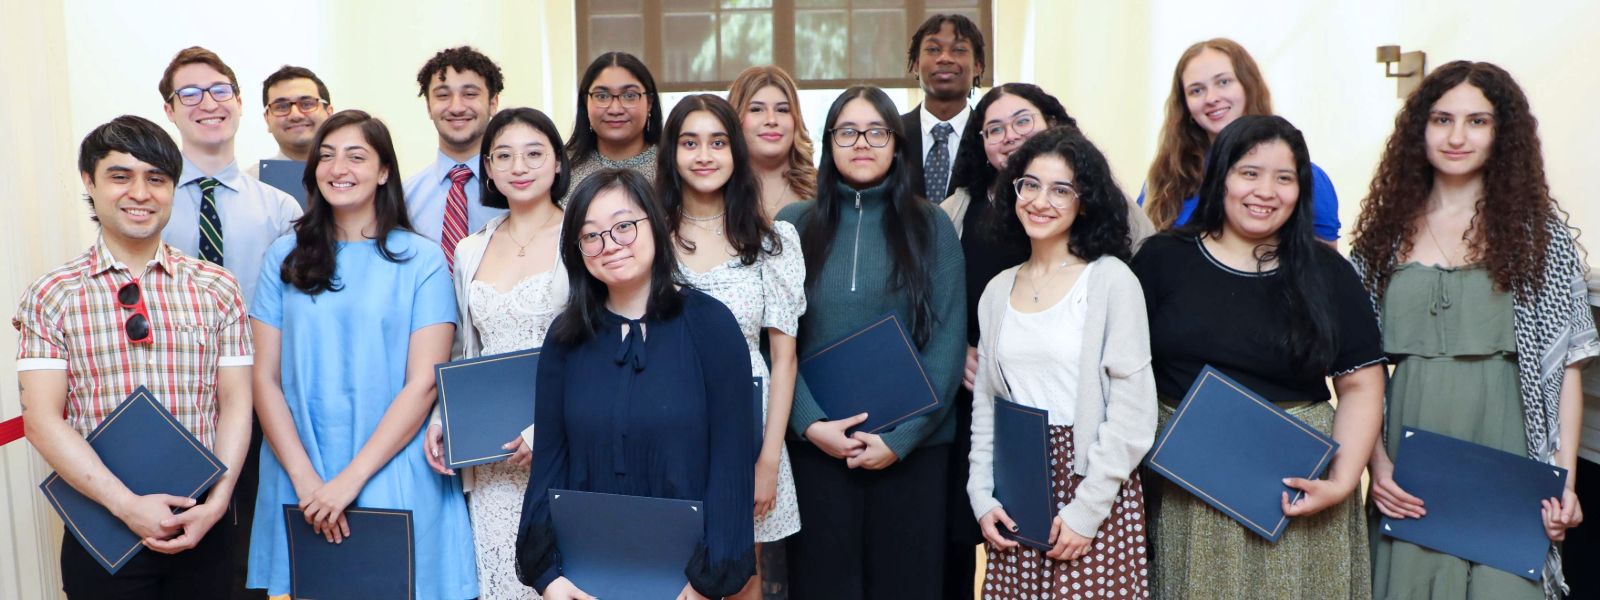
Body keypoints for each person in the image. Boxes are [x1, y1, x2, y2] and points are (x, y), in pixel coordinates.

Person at [1350, 61, 1594, 600]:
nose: (1457, 136)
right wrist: (1379, 467)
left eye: (1477, 121)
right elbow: (1358, 372)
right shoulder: (1380, 239)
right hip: (1408, 465)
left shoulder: (1541, 240)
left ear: (1502, 132)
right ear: (1420, 128)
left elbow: (1566, 368)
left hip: (1511, 458)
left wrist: (1563, 483)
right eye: (1442, 119)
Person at [1131, 115, 1386, 598]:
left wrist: (1342, 478)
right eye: (1249, 172)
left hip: (1298, 486)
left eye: (1284, 178)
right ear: (1220, 176)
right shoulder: (1163, 259)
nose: (1265, 191)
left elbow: (1362, 384)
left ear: (1301, 189)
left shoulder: (1328, 273)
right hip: (1189, 488)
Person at [17, 115, 253, 598]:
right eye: (120, 176)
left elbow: (236, 403)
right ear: (90, 181)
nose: (140, 193)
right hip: (101, 524)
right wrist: (126, 505)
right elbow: (41, 419)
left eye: (156, 179)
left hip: (203, 520)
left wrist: (218, 503)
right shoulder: (53, 294)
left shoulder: (217, 287)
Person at [246, 110, 477, 599]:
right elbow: (263, 379)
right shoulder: (282, 257)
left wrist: (349, 482)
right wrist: (309, 483)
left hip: (393, 468)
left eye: (356, 155)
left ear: (384, 170)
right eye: (326, 156)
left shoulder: (423, 260)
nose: (338, 167)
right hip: (299, 471)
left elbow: (423, 383)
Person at [515, 169, 757, 600]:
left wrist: (706, 583)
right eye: (591, 236)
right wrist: (548, 578)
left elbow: (731, 465)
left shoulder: (710, 325)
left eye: (624, 226)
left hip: (688, 583)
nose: (610, 245)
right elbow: (548, 465)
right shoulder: (565, 338)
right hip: (584, 580)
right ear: (577, 251)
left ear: (658, 225)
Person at [776, 86, 967, 600]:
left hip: (914, 452)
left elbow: (948, 348)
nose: (862, 142)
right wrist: (811, 425)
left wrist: (900, 441)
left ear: (897, 143)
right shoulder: (792, 226)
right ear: (829, 142)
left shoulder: (933, 226)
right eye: (847, 131)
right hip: (817, 451)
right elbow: (774, 343)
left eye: (877, 131)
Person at [966, 126, 1154, 598]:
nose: (1039, 200)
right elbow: (987, 406)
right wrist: (982, 497)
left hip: (1093, 488)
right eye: (1029, 184)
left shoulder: (1111, 281)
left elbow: (1133, 415)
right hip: (1018, 493)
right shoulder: (996, 290)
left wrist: (1085, 511)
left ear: (1084, 202)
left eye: (1060, 189)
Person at [155, 46, 300, 599]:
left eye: (218, 90)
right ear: (170, 110)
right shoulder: (151, 203)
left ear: (240, 104)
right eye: (188, 94)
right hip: (176, 404)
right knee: (179, 552)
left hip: (261, 401)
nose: (206, 103)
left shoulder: (281, 208)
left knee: (246, 560)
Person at [659, 94, 807, 600]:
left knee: (741, 572)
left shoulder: (772, 241)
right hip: (665, 421)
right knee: (668, 572)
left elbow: (783, 360)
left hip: (746, 429)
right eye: (690, 143)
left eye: (718, 142)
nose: (704, 155)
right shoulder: (648, 237)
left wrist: (767, 460)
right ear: (671, 153)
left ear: (735, 152)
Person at [421, 107, 571, 600]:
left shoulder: (583, 237)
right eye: (503, 155)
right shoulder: (469, 249)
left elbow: (597, 346)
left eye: (534, 153)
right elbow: (465, 349)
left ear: (557, 163)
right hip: (492, 456)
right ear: (487, 168)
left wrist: (546, 427)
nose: (518, 166)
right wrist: (445, 418)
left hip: (566, 439)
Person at [1140, 38, 1341, 242]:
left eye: (1223, 82)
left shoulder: (1304, 177)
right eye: (1196, 90)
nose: (1211, 98)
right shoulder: (1166, 178)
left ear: (1249, 86)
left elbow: (1324, 267)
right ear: (1185, 105)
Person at [403, 46, 508, 271]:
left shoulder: (516, 191)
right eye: (442, 95)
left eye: (470, 94)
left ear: (493, 103)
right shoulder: (404, 197)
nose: (457, 107)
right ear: (429, 107)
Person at [902, 14, 986, 207]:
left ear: (977, 67)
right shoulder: (891, 135)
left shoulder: (991, 139)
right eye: (933, 49)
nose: (945, 58)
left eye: (958, 49)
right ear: (915, 65)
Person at [727, 65, 817, 218]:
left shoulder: (824, 190)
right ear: (735, 119)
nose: (771, 120)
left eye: (782, 110)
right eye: (756, 109)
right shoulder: (717, 192)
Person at [566, 52, 663, 192]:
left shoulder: (672, 166)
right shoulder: (561, 167)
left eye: (629, 95)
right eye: (602, 96)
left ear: (649, 102)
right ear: (585, 102)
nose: (615, 109)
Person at [244, 65, 334, 178]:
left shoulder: (356, 175)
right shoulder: (249, 185)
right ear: (267, 119)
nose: (295, 115)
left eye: (307, 104)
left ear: (329, 114)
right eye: (281, 107)